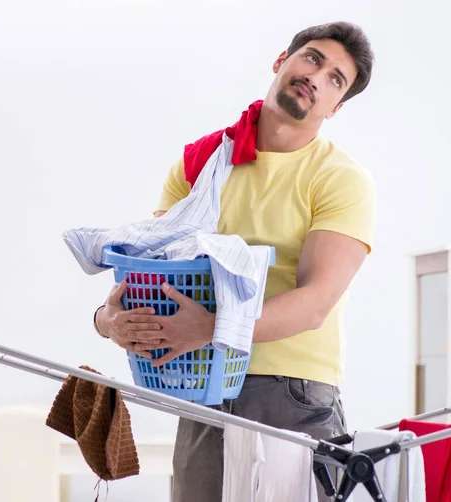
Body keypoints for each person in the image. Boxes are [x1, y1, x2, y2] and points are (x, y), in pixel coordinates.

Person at [94, 21, 377, 502]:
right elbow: (155, 269)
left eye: (336, 79)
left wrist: (209, 328)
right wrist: (108, 320)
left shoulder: (340, 179)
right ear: (281, 60)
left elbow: (313, 303)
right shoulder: (201, 164)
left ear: (337, 107)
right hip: (203, 384)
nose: (317, 76)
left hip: (292, 393)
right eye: (312, 57)